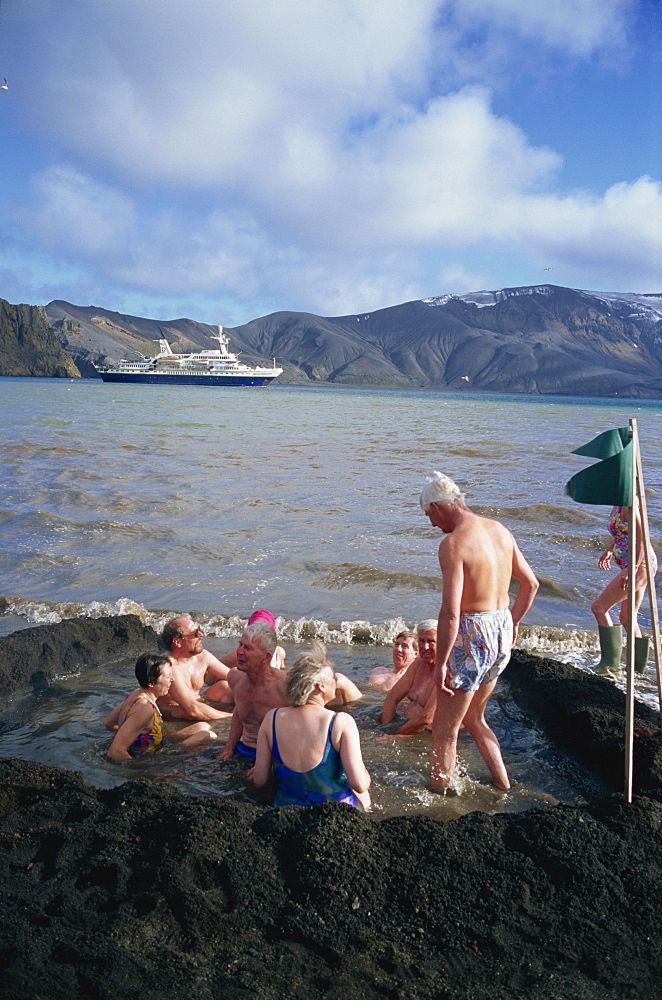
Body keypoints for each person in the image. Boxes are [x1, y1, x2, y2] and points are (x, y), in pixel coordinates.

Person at [420, 471, 539, 793]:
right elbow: (530, 584)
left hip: (472, 634)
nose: (431, 524)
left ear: (438, 506)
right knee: (475, 718)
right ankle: (503, 784)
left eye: (428, 515)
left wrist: (442, 662)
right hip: (500, 629)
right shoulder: (499, 530)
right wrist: (513, 622)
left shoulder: (454, 543)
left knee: (445, 731)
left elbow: (451, 612)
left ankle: (440, 801)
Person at [251, 640, 371, 809]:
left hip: (286, 809)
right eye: (333, 678)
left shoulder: (272, 718)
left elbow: (259, 780)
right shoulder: (340, 721)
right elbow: (359, 783)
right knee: (364, 794)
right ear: (320, 686)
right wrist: (365, 773)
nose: (336, 682)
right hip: (333, 813)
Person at [104, 653, 217, 761]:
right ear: (151, 683)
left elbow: (109, 723)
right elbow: (115, 751)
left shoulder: (136, 693)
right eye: (168, 677)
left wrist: (128, 734)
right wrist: (140, 772)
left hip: (157, 744)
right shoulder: (144, 708)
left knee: (203, 726)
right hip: (148, 757)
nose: (172, 680)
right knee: (209, 735)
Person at [591, 502, 657, 674]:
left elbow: (642, 537)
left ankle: (610, 665)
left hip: (640, 565)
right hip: (632, 565)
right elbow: (625, 533)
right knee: (627, 617)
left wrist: (633, 567)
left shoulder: (629, 504)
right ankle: (637, 670)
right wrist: (610, 549)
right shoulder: (617, 502)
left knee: (599, 608)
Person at [219, 622, 289, 761]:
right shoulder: (235, 678)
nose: (239, 652)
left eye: (248, 648)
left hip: (277, 755)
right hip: (244, 748)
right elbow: (239, 712)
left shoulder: (285, 686)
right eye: (240, 645)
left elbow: (301, 727)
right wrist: (229, 748)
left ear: (267, 657)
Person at [159, 616, 235, 720]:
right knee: (183, 712)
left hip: (197, 703)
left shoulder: (202, 656)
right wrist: (231, 717)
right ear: (177, 642)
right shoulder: (169, 668)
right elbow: (192, 709)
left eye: (199, 630)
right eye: (194, 633)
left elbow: (235, 677)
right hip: (177, 714)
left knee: (226, 686)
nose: (201, 635)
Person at [379, 622, 438, 737]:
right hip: (405, 725)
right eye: (421, 641)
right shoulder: (418, 663)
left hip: (427, 733)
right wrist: (385, 728)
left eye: (431, 641)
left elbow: (427, 718)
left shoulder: (448, 671)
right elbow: (391, 700)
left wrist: (394, 736)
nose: (425, 647)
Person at [220, 610, 286, 670]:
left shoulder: (279, 653)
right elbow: (215, 668)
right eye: (254, 630)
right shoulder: (237, 656)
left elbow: (282, 670)